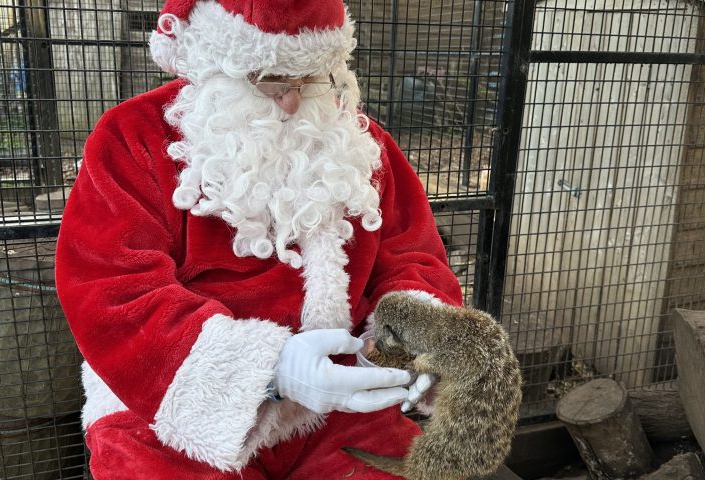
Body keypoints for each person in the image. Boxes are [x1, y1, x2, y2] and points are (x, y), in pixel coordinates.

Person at [55, 0, 465, 478]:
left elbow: (413, 257)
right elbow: (111, 289)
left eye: (309, 77)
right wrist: (271, 371)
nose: (290, 101)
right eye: (268, 79)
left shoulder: (363, 143)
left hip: (339, 401)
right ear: (215, 61)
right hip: (175, 406)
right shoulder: (132, 138)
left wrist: (416, 338)